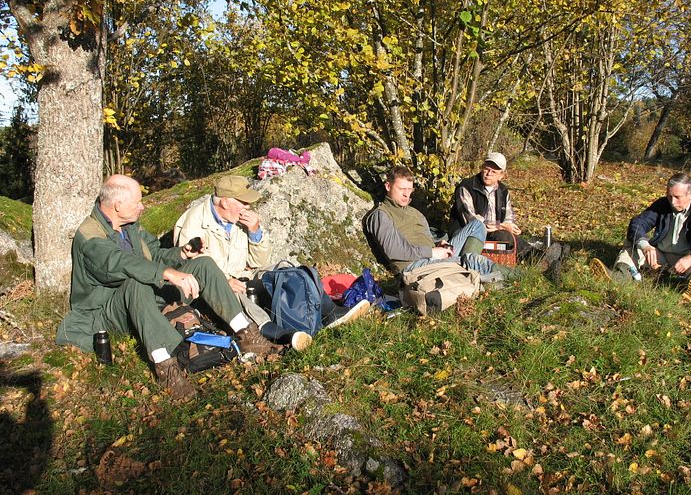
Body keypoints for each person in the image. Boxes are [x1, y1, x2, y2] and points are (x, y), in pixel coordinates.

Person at [56, 175, 277, 401]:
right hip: (109, 309)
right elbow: (118, 263)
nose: (143, 207)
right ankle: (166, 367)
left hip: (147, 297)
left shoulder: (130, 226)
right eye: (137, 203)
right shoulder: (90, 235)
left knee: (204, 265)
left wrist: (181, 254)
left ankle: (247, 334)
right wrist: (167, 273)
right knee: (135, 283)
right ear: (118, 206)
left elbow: (155, 254)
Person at [173, 176, 370, 349]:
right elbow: (191, 270)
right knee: (236, 293)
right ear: (225, 202)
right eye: (243, 202)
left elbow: (260, 261)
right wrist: (224, 281)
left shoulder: (237, 219)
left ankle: (330, 312)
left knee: (285, 268)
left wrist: (255, 232)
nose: (247, 207)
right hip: (214, 290)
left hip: (244, 275)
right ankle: (280, 334)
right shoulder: (194, 223)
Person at [589, 172, 691, 302]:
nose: (672, 201)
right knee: (633, 243)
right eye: (669, 196)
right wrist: (645, 246)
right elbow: (638, 223)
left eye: (677, 197)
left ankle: (689, 286)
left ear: (690, 194)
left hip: (688, 259)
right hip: (661, 257)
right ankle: (620, 275)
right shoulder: (662, 204)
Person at [365, 165, 513, 279]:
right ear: (388, 186)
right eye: (401, 188)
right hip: (415, 266)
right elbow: (394, 251)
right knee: (474, 260)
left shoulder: (414, 213)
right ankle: (516, 277)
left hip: (433, 255)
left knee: (477, 226)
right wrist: (432, 252)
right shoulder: (381, 215)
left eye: (410, 189)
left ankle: (466, 272)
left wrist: (438, 245)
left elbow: (425, 239)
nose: (406, 193)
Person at [450, 152, 536, 259]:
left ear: (501, 176)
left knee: (509, 236)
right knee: (504, 236)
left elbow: (508, 217)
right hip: (470, 236)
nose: (488, 173)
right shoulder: (466, 187)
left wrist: (510, 226)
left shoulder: (503, 191)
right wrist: (502, 226)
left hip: (495, 235)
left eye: (494, 172)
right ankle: (534, 257)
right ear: (482, 167)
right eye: (486, 169)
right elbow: (473, 222)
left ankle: (550, 255)